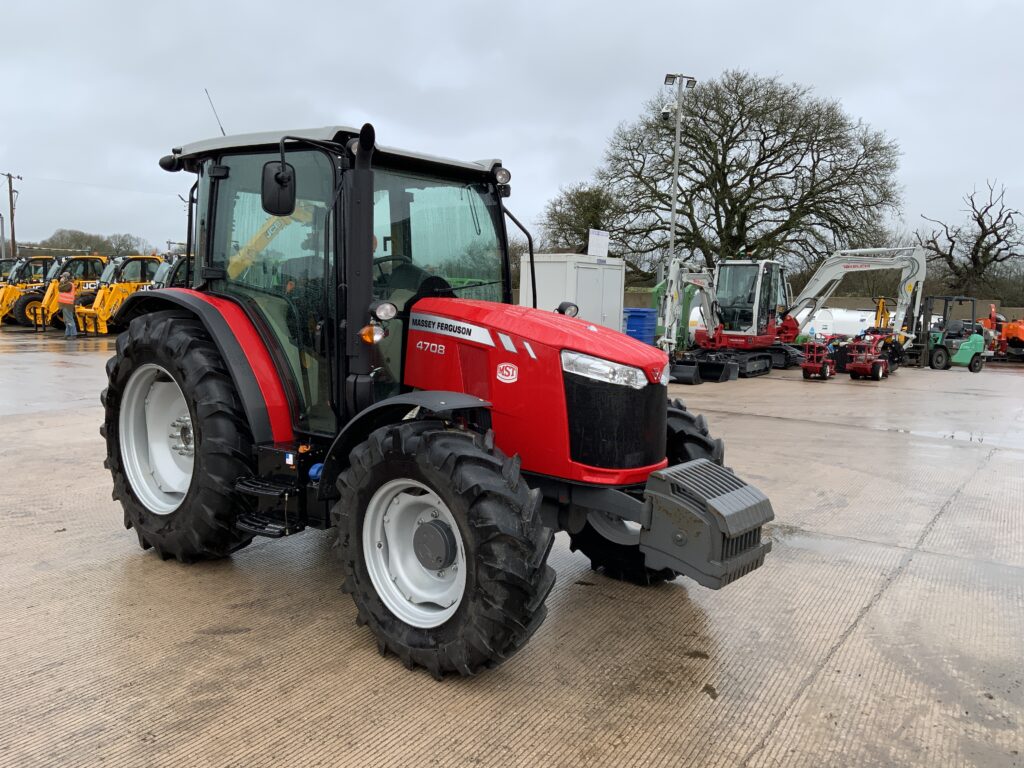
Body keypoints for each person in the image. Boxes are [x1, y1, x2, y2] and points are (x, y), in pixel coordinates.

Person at [57, 272, 77, 339]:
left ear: (66, 278)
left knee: (69, 319)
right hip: (64, 304)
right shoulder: (67, 284)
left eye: (62, 277)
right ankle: (67, 334)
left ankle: (73, 334)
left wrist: (61, 282)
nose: (61, 278)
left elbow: (60, 288)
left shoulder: (69, 284)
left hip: (68, 304)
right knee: (66, 320)